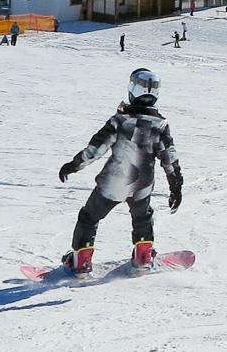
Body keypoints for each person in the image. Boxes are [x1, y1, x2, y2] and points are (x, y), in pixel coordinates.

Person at [56, 67, 183, 274]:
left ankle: (81, 262)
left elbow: (96, 149)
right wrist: (176, 186)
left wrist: (74, 165)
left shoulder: (119, 120)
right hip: (142, 185)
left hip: (113, 183)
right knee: (142, 218)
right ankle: (143, 257)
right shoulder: (160, 125)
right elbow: (169, 158)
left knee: (89, 217)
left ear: (132, 89)